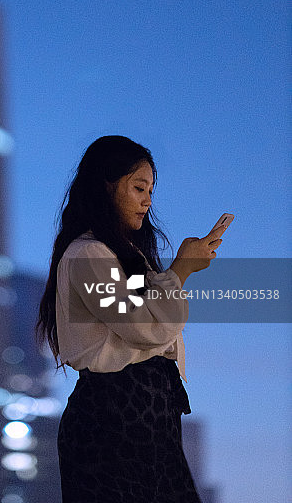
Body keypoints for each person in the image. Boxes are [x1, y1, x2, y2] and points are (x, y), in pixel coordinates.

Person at [35, 135, 227, 503]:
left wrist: (179, 269)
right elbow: (142, 325)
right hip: (113, 417)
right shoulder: (87, 256)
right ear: (106, 186)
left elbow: (154, 312)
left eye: (150, 190)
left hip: (148, 417)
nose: (148, 201)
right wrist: (181, 272)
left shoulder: (124, 257)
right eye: (139, 188)